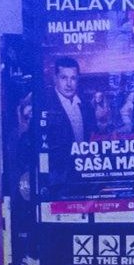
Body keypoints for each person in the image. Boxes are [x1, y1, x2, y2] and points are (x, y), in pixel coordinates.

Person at [45, 56, 92, 192]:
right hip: (58, 181)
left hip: (84, 177)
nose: (69, 84)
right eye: (64, 78)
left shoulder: (86, 106)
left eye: (73, 78)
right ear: (55, 79)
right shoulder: (45, 106)